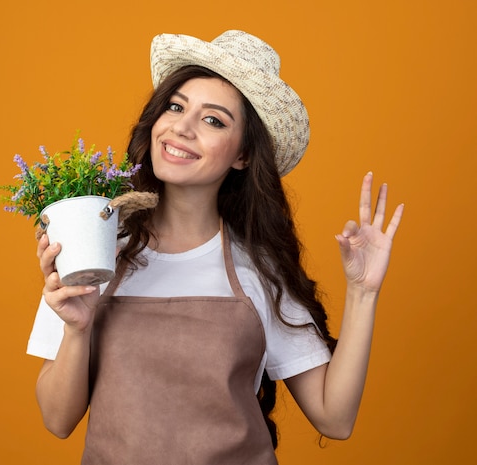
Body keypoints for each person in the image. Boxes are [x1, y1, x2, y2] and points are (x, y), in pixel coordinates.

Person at [26, 30, 404, 464]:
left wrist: (363, 291)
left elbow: (334, 420)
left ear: (243, 155)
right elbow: (58, 421)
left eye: (213, 120)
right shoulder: (94, 249)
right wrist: (79, 327)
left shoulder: (258, 270)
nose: (182, 128)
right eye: (175, 106)